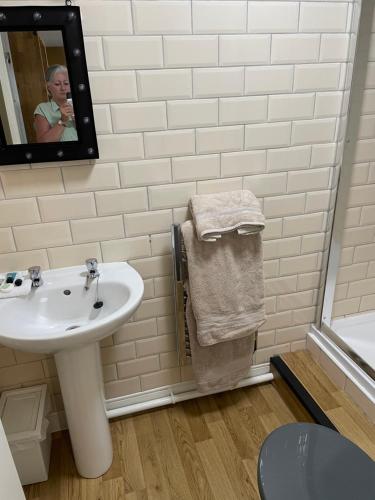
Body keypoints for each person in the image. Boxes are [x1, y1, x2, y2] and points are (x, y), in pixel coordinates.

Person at [34, 65, 78, 143]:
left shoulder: (81, 104)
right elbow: (43, 142)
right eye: (57, 84)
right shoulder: (42, 108)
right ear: (48, 87)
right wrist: (63, 121)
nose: (63, 88)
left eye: (66, 83)